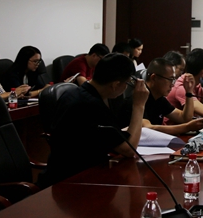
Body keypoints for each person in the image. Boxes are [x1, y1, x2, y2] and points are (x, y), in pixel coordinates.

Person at [38, 54, 149, 187]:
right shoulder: (91, 105)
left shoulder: (74, 93)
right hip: (72, 182)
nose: (126, 88)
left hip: (65, 173)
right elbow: (129, 150)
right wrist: (139, 105)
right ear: (115, 84)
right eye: (127, 83)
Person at [115, 58, 203, 136]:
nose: (172, 84)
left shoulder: (159, 98)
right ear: (154, 78)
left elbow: (184, 118)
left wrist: (189, 92)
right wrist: (187, 127)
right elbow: (147, 128)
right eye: (170, 79)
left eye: (173, 80)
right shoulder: (139, 97)